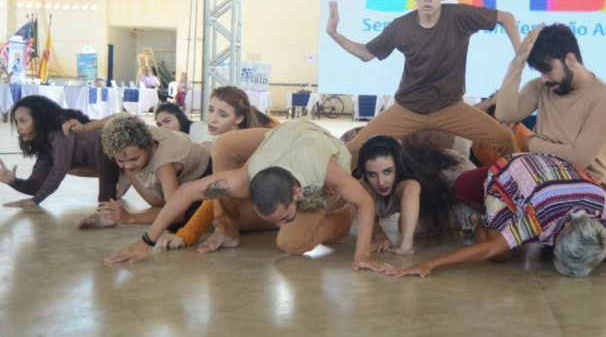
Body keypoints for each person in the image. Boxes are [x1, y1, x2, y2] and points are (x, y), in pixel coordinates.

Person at [392, 152, 606, 291]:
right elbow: (486, 250)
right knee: (502, 254)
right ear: (557, 235)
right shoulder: (539, 215)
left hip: (561, 180)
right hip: (512, 176)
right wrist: (430, 265)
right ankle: (475, 218)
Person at [103, 121, 391, 274]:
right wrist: (146, 242)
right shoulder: (243, 178)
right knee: (222, 145)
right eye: (274, 220)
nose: (279, 225)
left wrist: (362, 255)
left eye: (284, 217)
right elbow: (187, 192)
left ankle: (340, 219)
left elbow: (365, 202)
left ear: (297, 193)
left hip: (317, 148)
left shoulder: (326, 171)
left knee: (291, 243)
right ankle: (228, 232)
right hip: (287, 133)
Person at [327, 0, 521, 162]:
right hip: (408, 108)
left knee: (504, 138)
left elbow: (506, 18)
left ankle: (516, 180)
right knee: (352, 150)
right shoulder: (401, 26)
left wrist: (520, 56)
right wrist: (334, 33)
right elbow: (366, 54)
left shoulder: (458, 15)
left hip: (449, 107)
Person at [156, 87, 281, 250]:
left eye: (222, 115)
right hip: (257, 201)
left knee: (211, 205)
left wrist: (186, 234)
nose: (212, 119)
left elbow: (220, 192)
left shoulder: (239, 144)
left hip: (272, 207)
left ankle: (227, 233)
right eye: (211, 110)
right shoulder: (226, 138)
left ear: (239, 118)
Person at [495, 23, 606, 183]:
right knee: (477, 181)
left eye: (548, 70)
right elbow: (504, 115)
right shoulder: (539, 87)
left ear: (570, 59)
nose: (544, 79)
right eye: (540, 72)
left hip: (582, 182)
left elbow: (578, 158)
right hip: (540, 173)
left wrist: (530, 142)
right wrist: (517, 63)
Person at [78, 114, 211, 229]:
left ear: (147, 147)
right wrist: (83, 128)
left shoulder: (164, 166)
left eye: (134, 159)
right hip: (165, 182)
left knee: (173, 222)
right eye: (120, 161)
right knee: (105, 139)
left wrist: (129, 217)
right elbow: (118, 117)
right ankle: (106, 212)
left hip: (198, 180)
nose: (128, 166)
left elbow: (176, 214)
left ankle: (123, 192)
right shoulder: (139, 130)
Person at [354, 135, 475, 254]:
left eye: (387, 171)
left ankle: (471, 218)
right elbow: (369, 215)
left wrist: (405, 247)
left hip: (466, 190)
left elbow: (411, 188)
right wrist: (380, 236)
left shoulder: (443, 172)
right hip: (434, 201)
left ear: (399, 167)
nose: (381, 182)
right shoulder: (364, 184)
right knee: (412, 226)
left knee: (409, 226)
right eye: (372, 174)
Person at [0, 96, 118, 208]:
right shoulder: (45, 145)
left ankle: (120, 175)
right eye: (16, 122)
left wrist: (36, 200)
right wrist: (12, 181)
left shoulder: (59, 130)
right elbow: (35, 186)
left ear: (39, 119)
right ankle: (120, 175)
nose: (18, 128)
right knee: (68, 166)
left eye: (23, 121)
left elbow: (60, 168)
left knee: (64, 165)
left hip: (119, 152)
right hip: (110, 162)